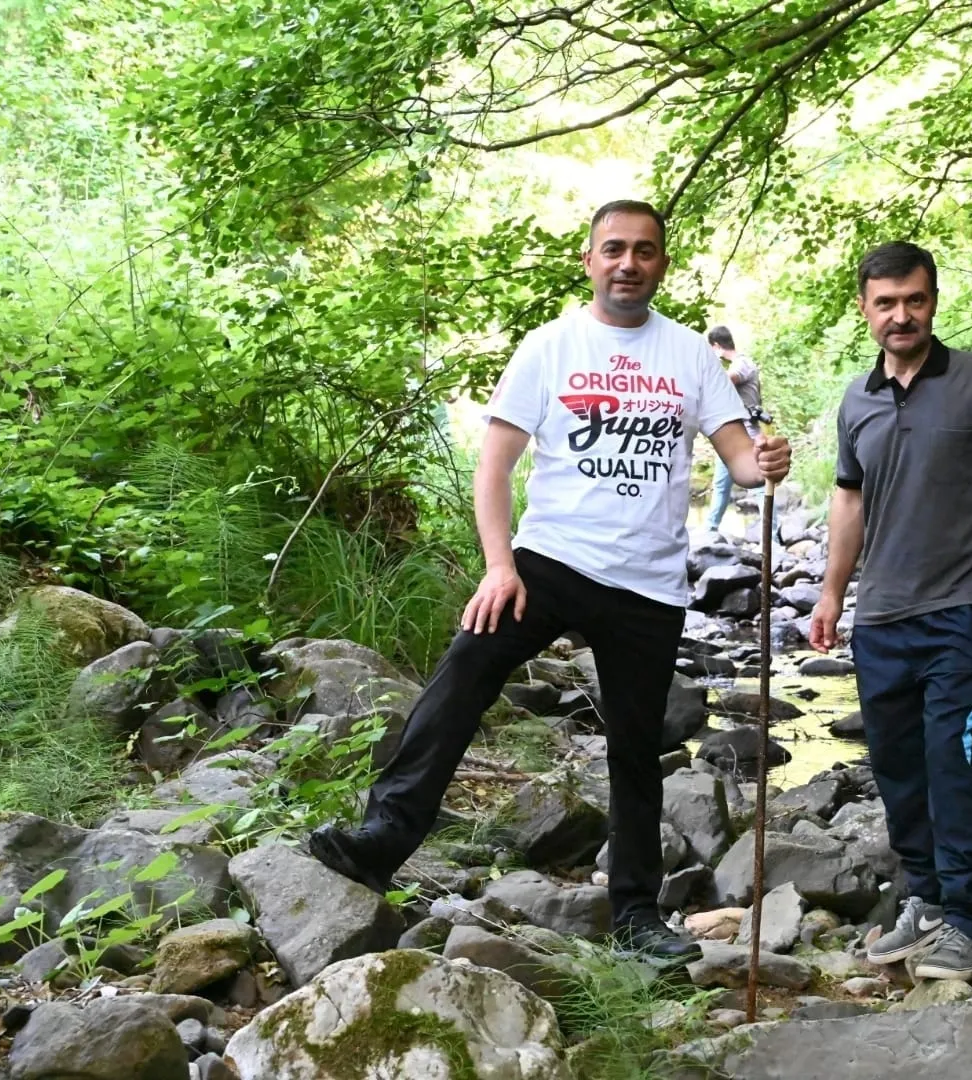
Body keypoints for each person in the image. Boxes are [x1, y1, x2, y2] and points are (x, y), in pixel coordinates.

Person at [308, 200, 792, 959]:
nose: (628, 263)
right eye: (614, 249)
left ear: (662, 264)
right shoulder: (549, 345)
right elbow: (495, 466)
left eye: (644, 251)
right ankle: (385, 837)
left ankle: (636, 916)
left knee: (636, 748)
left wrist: (762, 462)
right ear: (589, 260)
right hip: (549, 561)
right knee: (465, 671)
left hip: (649, 583)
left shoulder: (691, 356)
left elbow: (738, 456)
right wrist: (499, 566)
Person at [808, 240, 972, 981]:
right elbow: (849, 498)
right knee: (897, 765)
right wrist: (831, 591)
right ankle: (927, 898)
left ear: (933, 301)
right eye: (886, 303)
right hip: (881, 615)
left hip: (961, 609)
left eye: (914, 300)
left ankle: (971, 917)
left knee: (954, 758)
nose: (901, 315)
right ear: (865, 309)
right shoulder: (857, 399)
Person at [703, 325, 763, 534]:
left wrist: (709, 368)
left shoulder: (742, 363)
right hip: (732, 435)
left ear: (716, 346)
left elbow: (728, 380)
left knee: (760, 487)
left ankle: (771, 537)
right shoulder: (739, 363)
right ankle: (710, 529)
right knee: (721, 485)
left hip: (749, 434)